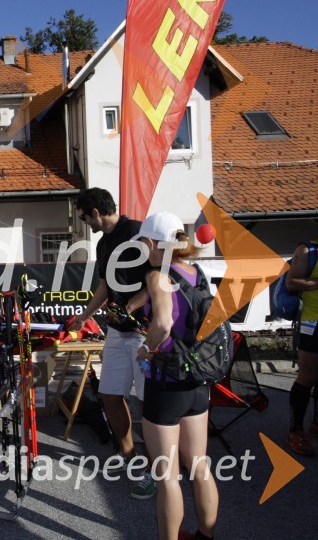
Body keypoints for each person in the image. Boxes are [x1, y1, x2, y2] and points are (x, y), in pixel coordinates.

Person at [133, 212, 218, 540]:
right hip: (197, 383)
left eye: (144, 243)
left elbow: (164, 324)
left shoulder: (158, 276)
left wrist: (145, 349)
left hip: (166, 385)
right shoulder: (197, 272)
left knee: (167, 476)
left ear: (154, 243)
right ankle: (205, 536)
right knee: (199, 466)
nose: (145, 250)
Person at [65, 188, 155, 498]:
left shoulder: (139, 232)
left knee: (148, 402)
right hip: (117, 331)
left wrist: (133, 306)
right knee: (109, 395)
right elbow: (104, 285)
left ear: (95, 212)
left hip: (145, 331)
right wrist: (84, 314)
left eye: (82, 215)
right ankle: (129, 457)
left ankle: (156, 470)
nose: (82, 220)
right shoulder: (103, 244)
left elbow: (159, 278)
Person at [285, 240, 318, 457]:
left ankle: (316, 425)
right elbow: (291, 283)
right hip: (313, 323)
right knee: (307, 376)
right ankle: (295, 430)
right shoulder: (307, 250)